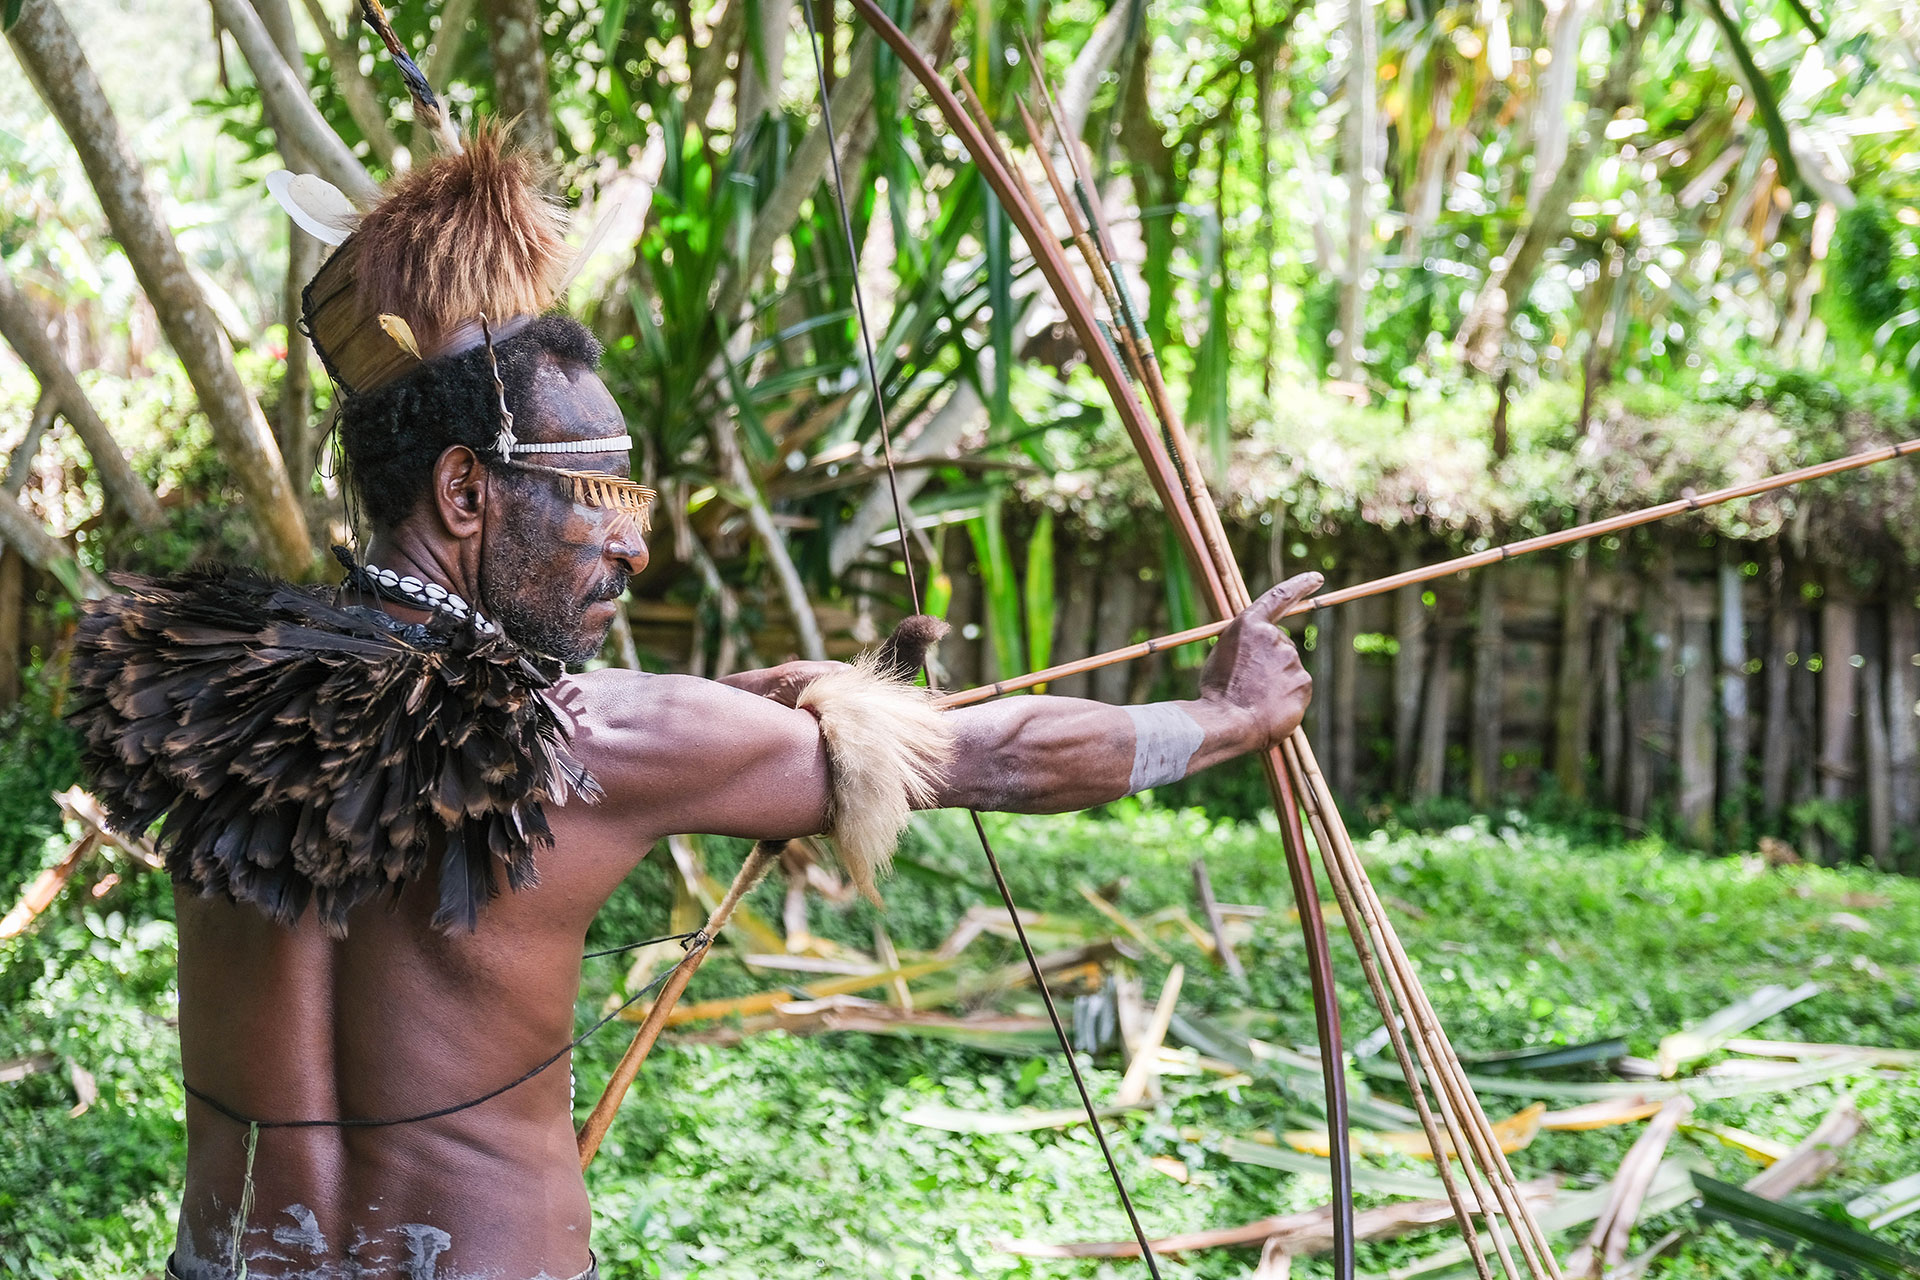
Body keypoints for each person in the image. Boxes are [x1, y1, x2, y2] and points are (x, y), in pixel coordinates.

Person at [68, 122, 1317, 1280]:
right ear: (465, 493)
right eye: (600, 500)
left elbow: (426, 740)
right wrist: (1224, 718)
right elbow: (997, 759)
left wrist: (737, 706)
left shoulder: (208, 702)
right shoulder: (601, 742)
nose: (632, 549)